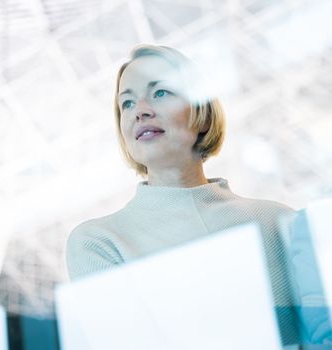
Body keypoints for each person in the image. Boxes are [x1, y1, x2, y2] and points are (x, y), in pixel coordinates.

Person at [66, 44, 299, 345]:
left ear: (201, 112)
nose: (140, 111)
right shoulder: (98, 242)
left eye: (160, 92)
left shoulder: (277, 221)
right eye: (127, 103)